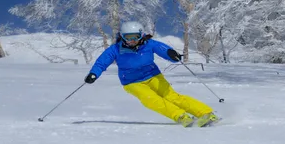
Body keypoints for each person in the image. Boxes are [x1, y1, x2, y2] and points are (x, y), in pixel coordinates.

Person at [84, 21, 219, 127]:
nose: (132, 41)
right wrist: (93, 74)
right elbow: (101, 63)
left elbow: (163, 50)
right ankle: (181, 116)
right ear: (122, 37)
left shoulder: (149, 44)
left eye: (135, 37)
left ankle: (206, 113)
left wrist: (172, 55)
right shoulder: (115, 49)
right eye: (128, 38)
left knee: (172, 97)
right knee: (151, 99)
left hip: (153, 76)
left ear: (141, 35)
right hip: (132, 82)